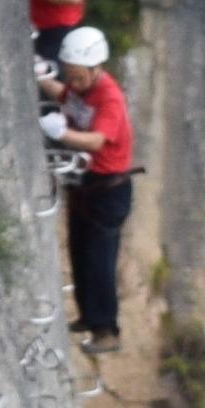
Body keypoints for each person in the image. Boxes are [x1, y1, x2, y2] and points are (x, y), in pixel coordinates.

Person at [42, 25, 139, 348]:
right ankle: (88, 315)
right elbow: (64, 95)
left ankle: (106, 332)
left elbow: (97, 140)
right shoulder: (79, 87)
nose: (74, 82)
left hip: (108, 189)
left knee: (99, 259)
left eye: (80, 76)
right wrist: (40, 77)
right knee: (80, 252)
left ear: (97, 68)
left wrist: (62, 135)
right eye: (70, 75)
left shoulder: (108, 97)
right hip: (85, 184)